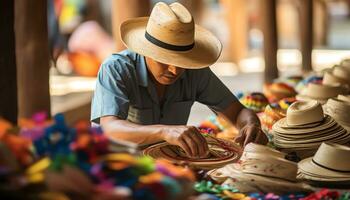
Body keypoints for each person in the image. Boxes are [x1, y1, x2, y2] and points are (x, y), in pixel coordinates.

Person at [91, 2, 268, 158]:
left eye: (182, 61)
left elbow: (237, 113)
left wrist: (251, 125)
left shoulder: (194, 71)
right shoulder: (116, 69)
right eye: (165, 60)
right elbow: (109, 129)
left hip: (171, 162)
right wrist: (164, 131)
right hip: (123, 163)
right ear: (146, 51)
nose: (175, 70)